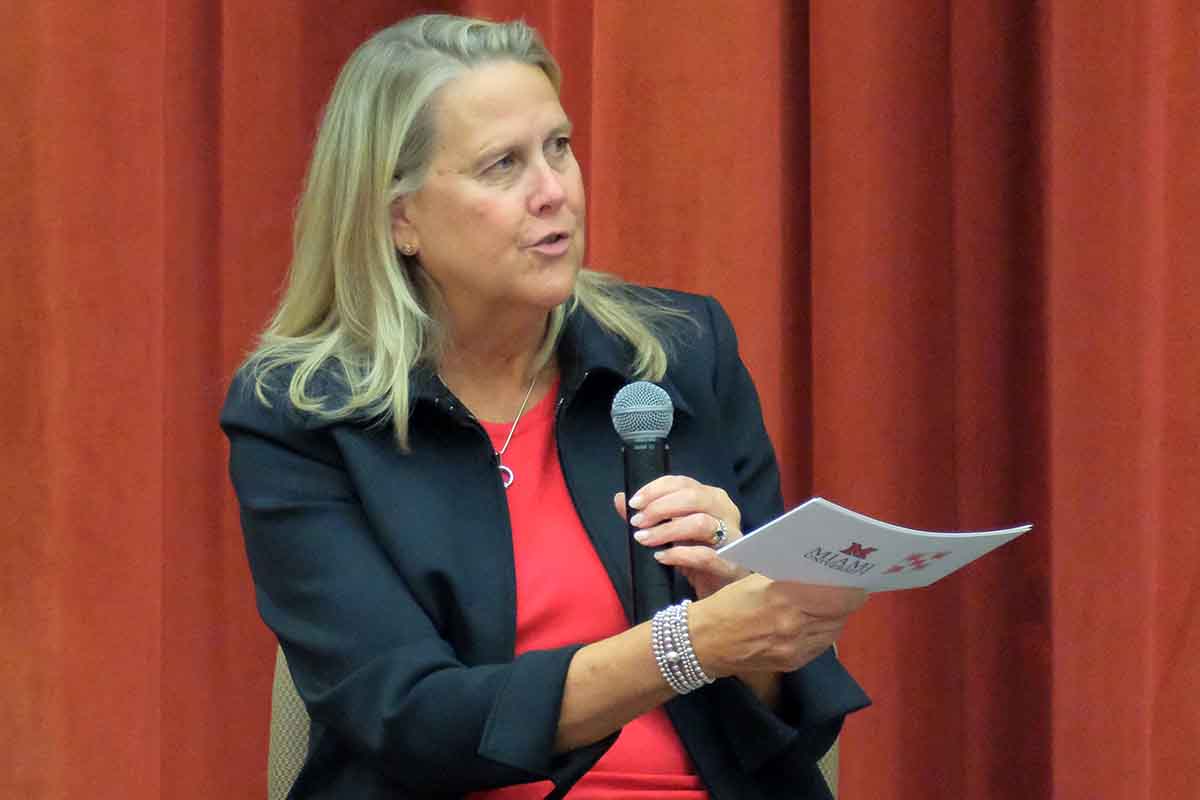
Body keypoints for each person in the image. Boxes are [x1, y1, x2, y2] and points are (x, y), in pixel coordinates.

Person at [221, 13, 870, 800]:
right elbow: (406, 720)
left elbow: (799, 721)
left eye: (559, 147)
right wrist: (683, 647)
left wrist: (750, 614)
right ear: (401, 219)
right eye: (503, 165)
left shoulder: (677, 356)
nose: (553, 191)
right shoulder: (304, 415)